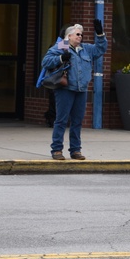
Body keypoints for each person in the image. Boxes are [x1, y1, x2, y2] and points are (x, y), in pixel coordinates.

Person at [42, 20, 107, 160]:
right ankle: (57, 150)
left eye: (81, 34)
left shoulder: (86, 48)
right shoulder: (62, 45)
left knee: (77, 121)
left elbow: (101, 49)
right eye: (77, 34)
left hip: (81, 90)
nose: (80, 37)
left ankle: (75, 150)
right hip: (65, 89)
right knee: (61, 120)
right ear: (69, 36)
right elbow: (46, 61)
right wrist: (60, 58)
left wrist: (100, 34)